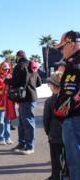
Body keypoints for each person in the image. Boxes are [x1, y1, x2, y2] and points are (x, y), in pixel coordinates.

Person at [54, 30, 80, 180]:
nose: (61, 50)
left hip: (74, 119)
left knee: (75, 162)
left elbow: (68, 99)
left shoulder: (74, 65)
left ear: (71, 44)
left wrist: (57, 111)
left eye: (62, 47)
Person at [7, 50, 42, 155]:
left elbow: (15, 82)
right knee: (24, 122)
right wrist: (31, 86)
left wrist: (7, 80)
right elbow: (39, 82)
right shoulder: (33, 65)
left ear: (18, 57)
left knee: (26, 122)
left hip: (24, 98)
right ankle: (23, 144)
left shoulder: (19, 66)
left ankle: (29, 146)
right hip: (31, 97)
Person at [43, 71, 68, 180]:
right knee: (67, 157)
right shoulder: (68, 99)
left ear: (53, 86)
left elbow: (46, 120)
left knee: (55, 159)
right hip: (67, 134)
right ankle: (66, 175)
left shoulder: (49, 101)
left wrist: (47, 131)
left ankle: (56, 176)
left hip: (54, 135)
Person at [0, 62, 14, 145]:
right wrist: (6, 89)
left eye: (7, 69)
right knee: (0, 122)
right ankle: (1, 138)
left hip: (7, 104)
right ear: (1, 69)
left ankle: (7, 137)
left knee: (7, 122)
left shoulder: (10, 77)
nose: (6, 70)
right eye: (4, 69)